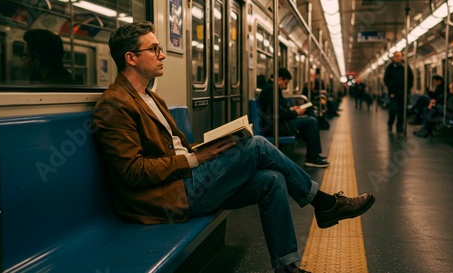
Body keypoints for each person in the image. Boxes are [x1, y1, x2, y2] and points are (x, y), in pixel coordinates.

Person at [92, 21, 375, 273]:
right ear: (131, 58)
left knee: (273, 181)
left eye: (160, 48)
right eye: (154, 49)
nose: (162, 54)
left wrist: (204, 148)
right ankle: (325, 204)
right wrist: (195, 159)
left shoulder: (151, 97)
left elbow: (174, 149)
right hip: (169, 197)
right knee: (259, 146)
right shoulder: (115, 104)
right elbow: (132, 171)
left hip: (187, 181)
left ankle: (287, 267)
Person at [258, 68, 329, 168]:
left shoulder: (272, 89)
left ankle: (313, 155)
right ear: (279, 79)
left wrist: (292, 109)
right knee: (311, 122)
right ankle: (312, 157)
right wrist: (295, 112)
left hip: (280, 123)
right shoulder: (270, 90)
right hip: (275, 126)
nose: (286, 86)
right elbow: (279, 113)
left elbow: (279, 108)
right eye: (286, 83)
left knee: (310, 120)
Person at [383, 51, 414, 133]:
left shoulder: (406, 66)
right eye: (396, 56)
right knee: (393, 109)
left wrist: (408, 88)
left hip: (403, 92)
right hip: (393, 92)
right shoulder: (390, 67)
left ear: (402, 57)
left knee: (402, 111)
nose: (398, 58)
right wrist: (391, 88)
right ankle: (390, 123)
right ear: (394, 58)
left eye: (399, 56)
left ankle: (399, 127)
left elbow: (410, 78)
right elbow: (386, 79)